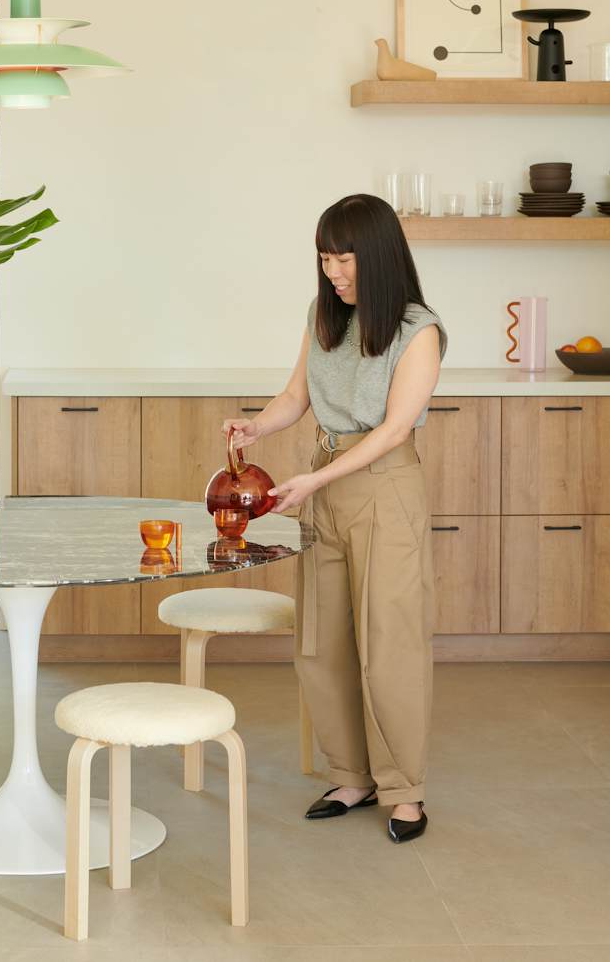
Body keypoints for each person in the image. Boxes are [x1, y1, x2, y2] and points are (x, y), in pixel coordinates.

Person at [225, 193, 445, 844]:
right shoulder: (324, 317)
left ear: (375, 256)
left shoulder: (418, 329)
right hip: (325, 488)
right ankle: (351, 775)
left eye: (343, 258)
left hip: (384, 488)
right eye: (324, 259)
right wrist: (256, 424)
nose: (333, 273)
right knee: (322, 642)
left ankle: (405, 789)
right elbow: (297, 395)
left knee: (390, 645)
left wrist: (315, 478)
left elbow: (395, 428)